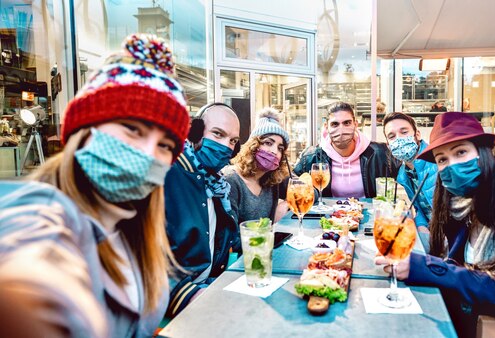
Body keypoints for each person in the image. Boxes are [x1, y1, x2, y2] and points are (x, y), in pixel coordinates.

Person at [0, 34, 190, 337]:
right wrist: (35, 297)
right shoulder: (44, 205)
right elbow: (26, 255)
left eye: (165, 145)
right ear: (85, 131)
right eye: (132, 128)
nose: (147, 153)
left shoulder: (136, 228)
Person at [375, 112, 495, 337]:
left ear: (484, 153)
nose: (452, 165)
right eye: (442, 160)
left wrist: (422, 266)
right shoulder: (456, 206)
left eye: (461, 152)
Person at [164, 101, 241, 317]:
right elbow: (145, 257)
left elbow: (226, 244)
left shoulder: (217, 186)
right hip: (177, 302)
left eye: (233, 141)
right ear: (195, 133)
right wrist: (190, 295)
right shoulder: (169, 175)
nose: (226, 146)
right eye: (218, 134)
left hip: (211, 286)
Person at [294, 101, 394, 198]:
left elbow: (406, 176)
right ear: (326, 127)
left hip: (371, 214)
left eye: (347, 123)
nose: (341, 129)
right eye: (335, 124)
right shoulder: (311, 157)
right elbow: (292, 185)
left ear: (355, 124)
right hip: (327, 215)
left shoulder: (381, 153)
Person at [223, 107, 290, 225]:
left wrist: (286, 204)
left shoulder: (274, 179)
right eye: (268, 143)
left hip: (269, 242)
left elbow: (310, 191)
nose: (274, 151)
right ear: (254, 145)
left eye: (280, 148)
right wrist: (271, 224)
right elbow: (230, 236)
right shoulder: (231, 180)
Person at [382, 112, 437, 228]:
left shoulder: (438, 161)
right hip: (430, 231)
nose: (399, 139)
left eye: (404, 132)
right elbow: (418, 207)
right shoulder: (403, 174)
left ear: (417, 135)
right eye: (392, 136)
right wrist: (421, 225)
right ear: (388, 146)